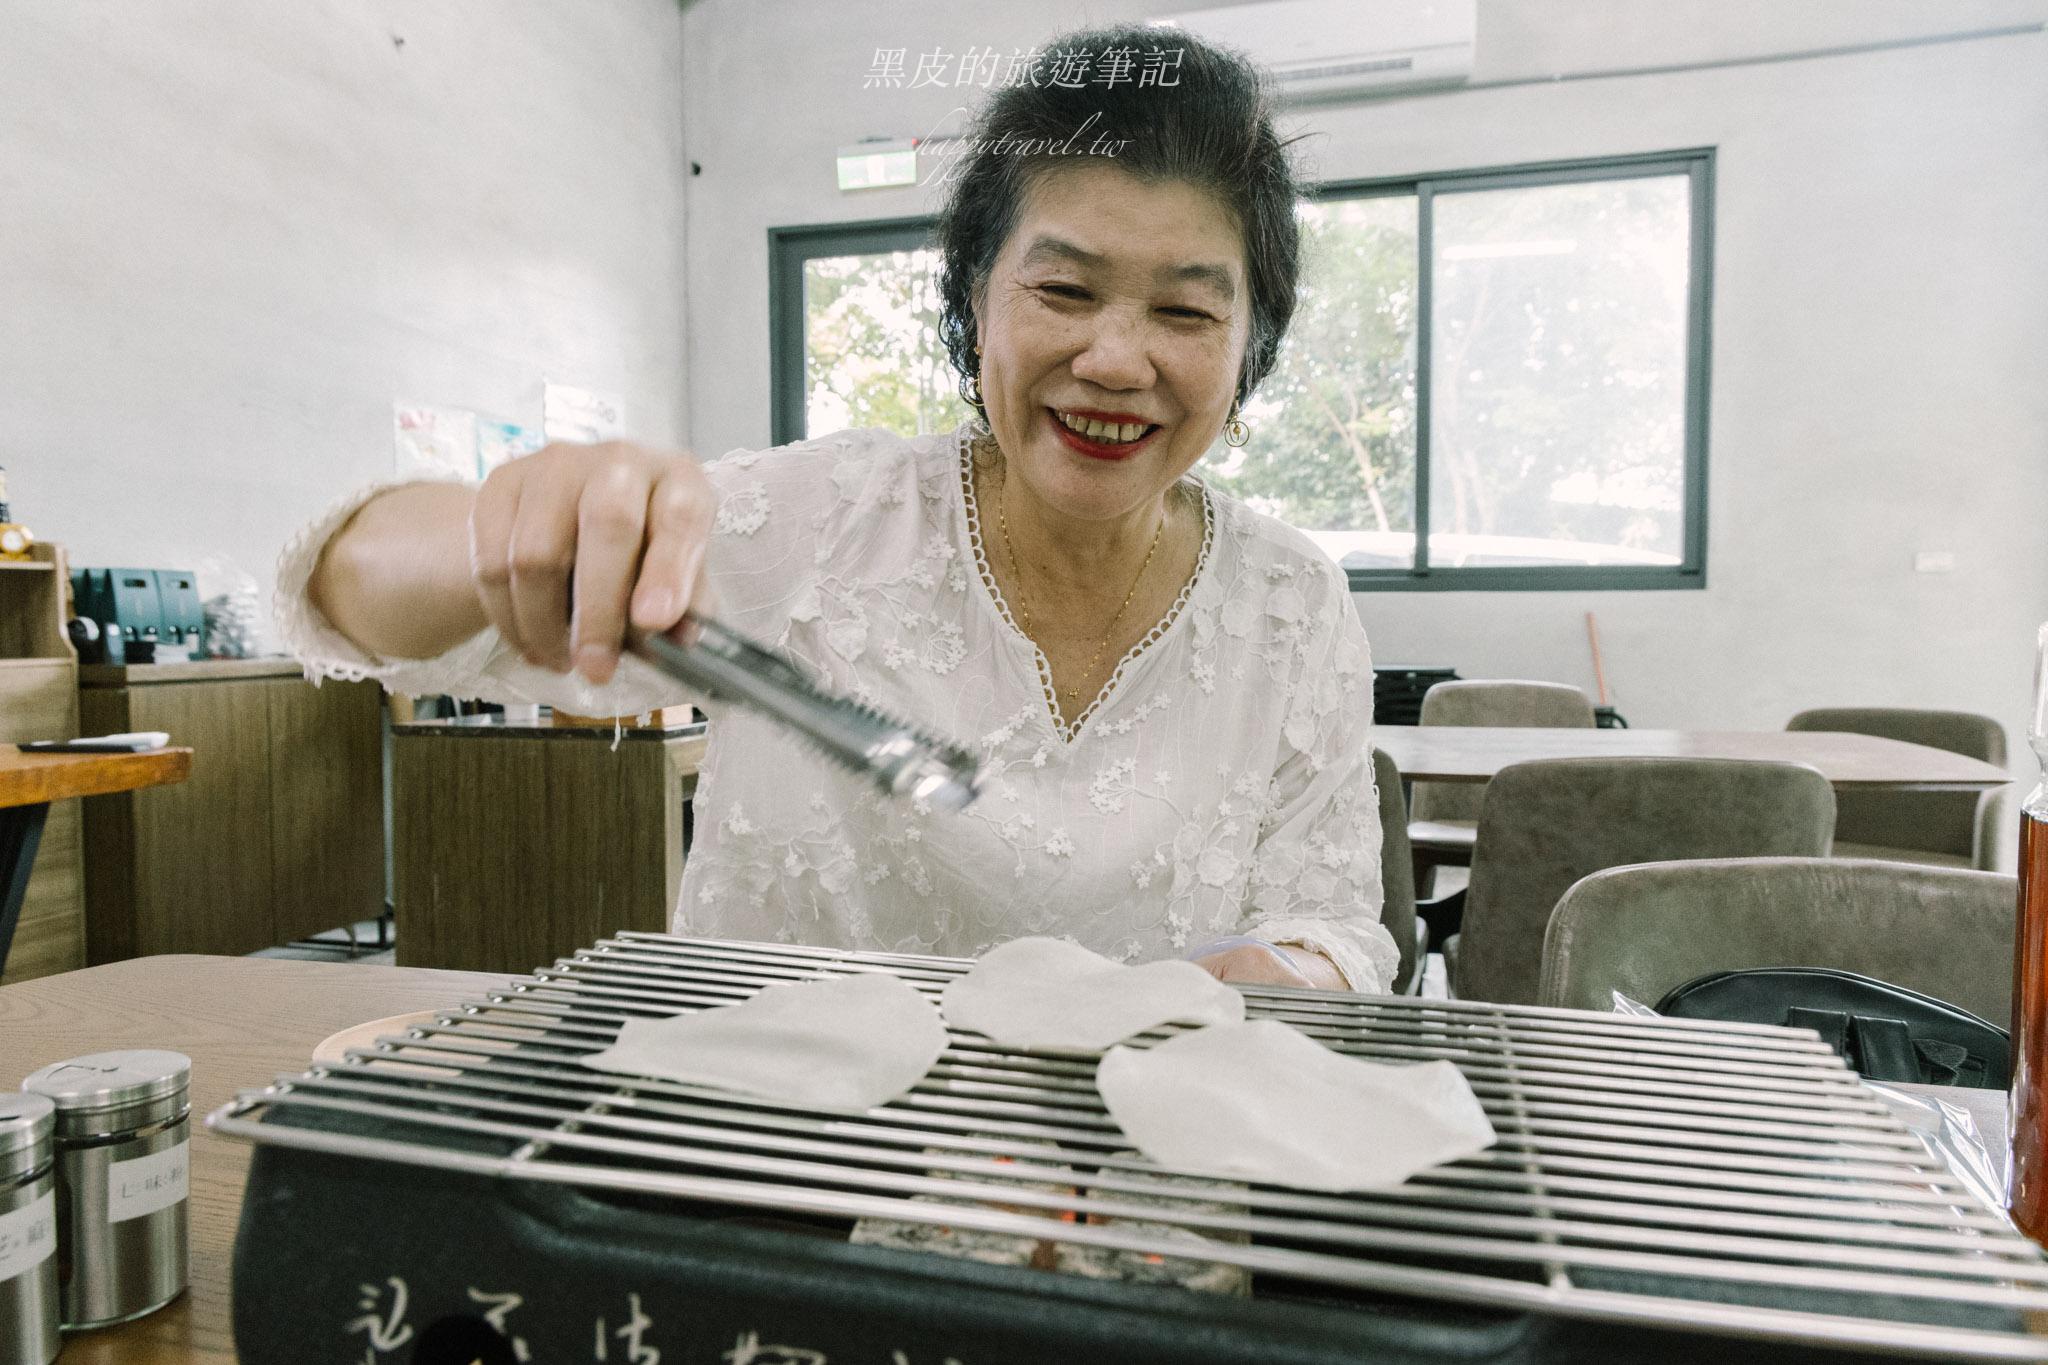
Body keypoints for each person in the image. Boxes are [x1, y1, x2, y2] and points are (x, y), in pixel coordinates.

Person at [279, 24, 1397, 993]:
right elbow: (347, 594)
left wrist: (1286, 972)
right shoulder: (820, 523)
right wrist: (506, 528)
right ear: (976, 302)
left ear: (1248, 351)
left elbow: (1335, 921)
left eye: (1185, 313)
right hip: (775, 1142)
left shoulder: (1291, 604)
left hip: (1116, 1150)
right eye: (1062, 290)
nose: (1113, 358)